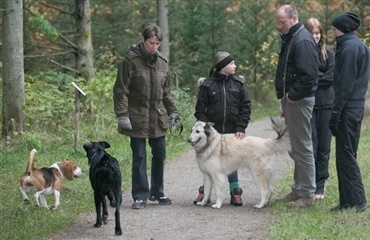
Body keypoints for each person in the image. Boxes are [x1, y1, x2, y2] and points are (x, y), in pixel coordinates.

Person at [113, 24, 180, 209]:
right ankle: (140, 195)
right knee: (140, 156)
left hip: (158, 117)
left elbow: (167, 92)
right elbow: (120, 91)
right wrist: (122, 114)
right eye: (151, 43)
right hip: (137, 117)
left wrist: (173, 111)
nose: (154, 47)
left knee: (160, 153)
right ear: (143, 40)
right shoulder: (130, 60)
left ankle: (157, 192)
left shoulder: (163, 62)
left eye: (157, 44)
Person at [193, 51, 252, 206]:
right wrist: (207, 129)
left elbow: (245, 107)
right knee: (209, 162)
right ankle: (204, 192)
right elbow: (200, 110)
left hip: (233, 131)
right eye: (231, 63)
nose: (235, 66)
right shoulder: (207, 85)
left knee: (231, 160)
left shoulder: (238, 84)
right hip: (213, 134)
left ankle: (235, 190)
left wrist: (241, 126)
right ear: (222, 66)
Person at [274, 5, 319, 207]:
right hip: (292, 100)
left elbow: (309, 75)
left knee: (303, 147)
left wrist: (292, 96)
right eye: (278, 21)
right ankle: (299, 189)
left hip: (299, 101)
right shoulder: (293, 37)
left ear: (294, 18)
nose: (279, 26)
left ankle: (308, 194)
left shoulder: (302, 40)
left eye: (282, 22)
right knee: (296, 147)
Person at [329, 12, 369, 212]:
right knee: (345, 154)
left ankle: (359, 201)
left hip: (348, 108)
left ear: (341, 29)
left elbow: (344, 84)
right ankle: (347, 200)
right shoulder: (354, 45)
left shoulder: (350, 48)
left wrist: (335, 113)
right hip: (353, 107)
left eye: (333, 28)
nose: (331, 31)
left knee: (346, 154)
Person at [304, 18, 335, 199]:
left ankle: (320, 186)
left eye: (317, 33)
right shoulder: (304, 51)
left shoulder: (329, 52)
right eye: (312, 33)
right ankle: (309, 183)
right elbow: (305, 76)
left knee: (324, 146)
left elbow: (330, 77)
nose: (315, 36)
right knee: (311, 146)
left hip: (327, 105)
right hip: (309, 105)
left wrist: (314, 79)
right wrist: (315, 78)